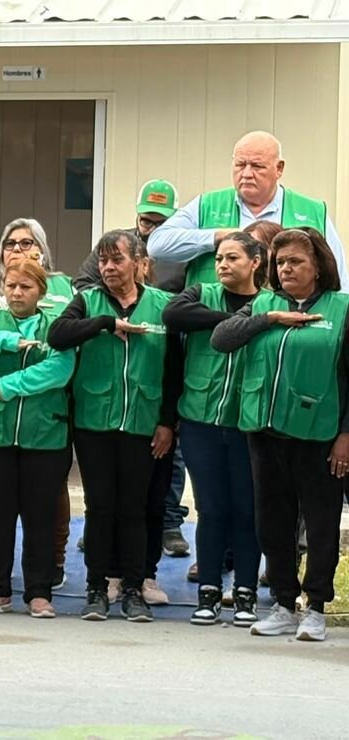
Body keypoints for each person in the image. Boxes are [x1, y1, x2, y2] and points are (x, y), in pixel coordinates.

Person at [211, 227, 349, 642]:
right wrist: (269, 318)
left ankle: (317, 608)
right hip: (265, 433)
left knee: (322, 523)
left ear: (319, 267)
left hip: (320, 435)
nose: (286, 269)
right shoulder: (264, 303)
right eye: (281, 262)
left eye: (296, 262)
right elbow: (221, 339)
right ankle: (285, 604)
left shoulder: (341, 309)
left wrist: (346, 435)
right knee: (272, 522)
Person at [48, 230, 182, 624]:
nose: (108, 267)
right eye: (103, 260)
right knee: (100, 506)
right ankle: (95, 589)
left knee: (135, 508)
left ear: (138, 263)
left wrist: (167, 422)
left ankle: (134, 588)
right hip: (94, 423)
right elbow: (58, 336)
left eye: (116, 259)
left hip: (144, 423)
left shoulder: (162, 306)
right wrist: (105, 323)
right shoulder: (87, 301)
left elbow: (175, 370)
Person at [0, 258, 77, 619]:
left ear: (41, 291)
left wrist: (9, 385)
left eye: (26, 287)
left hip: (45, 437)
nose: (17, 293)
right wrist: (2, 342)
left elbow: (61, 368)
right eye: (11, 286)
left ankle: (39, 592)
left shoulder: (56, 326)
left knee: (40, 517)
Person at [162, 230, 268, 626]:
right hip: (199, 419)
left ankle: (245, 593)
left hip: (247, 422)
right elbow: (171, 315)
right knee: (211, 509)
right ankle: (206, 592)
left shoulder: (270, 302)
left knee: (246, 509)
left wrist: (257, 318)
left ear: (255, 262)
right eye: (220, 258)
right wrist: (240, 323)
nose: (223, 265)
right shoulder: (199, 292)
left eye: (233, 259)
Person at [149, 130, 348, 287]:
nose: (246, 173)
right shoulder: (206, 205)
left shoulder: (313, 211)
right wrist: (217, 237)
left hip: (284, 328)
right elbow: (156, 245)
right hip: (212, 329)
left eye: (257, 166)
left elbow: (339, 278)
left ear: (279, 168)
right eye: (240, 164)